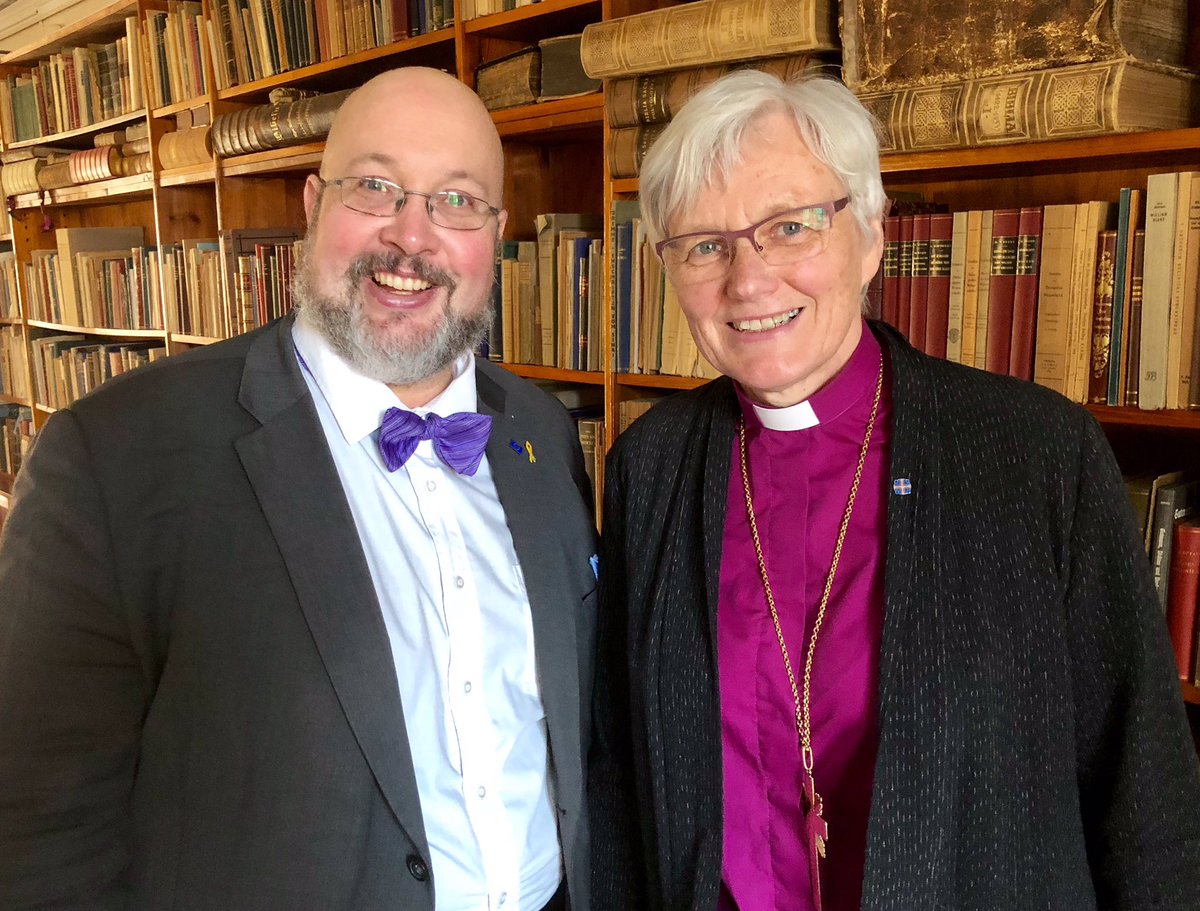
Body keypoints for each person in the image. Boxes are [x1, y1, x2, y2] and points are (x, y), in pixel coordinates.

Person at [588, 70, 1200, 911]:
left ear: (871, 234)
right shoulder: (650, 466)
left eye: (791, 226)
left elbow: (1146, 791)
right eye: (704, 245)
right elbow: (620, 778)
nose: (748, 280)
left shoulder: (1036, 453)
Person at [0, 67, 598, 911]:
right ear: (314, 204)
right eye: (376, 187)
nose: (412, 237)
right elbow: (37, 831)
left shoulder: (540, 430)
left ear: (495, 235)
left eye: (456, 201)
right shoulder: (115, 456)